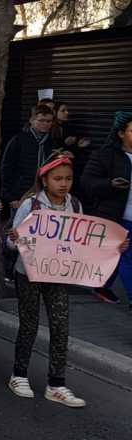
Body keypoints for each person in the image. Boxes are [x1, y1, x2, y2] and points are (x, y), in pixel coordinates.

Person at [6, 153, 127, 408]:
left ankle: (57, 383)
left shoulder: (75, 205)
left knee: (61, 327)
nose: (63, 184)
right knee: (29, 325)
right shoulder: (31, 205)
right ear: (45, 179)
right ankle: (19, 375)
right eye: (58, 178)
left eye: (68, 179)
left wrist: (115, 245)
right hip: (28, 274)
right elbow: (10, 241)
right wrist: (16, 239)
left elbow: (84, 241)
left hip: (59, 274)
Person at [81, 111, 132, 308]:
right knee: (128, 257)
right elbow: (87, 182)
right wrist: (110, 184)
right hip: (117, 217)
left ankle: (102, 285)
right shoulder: (105, 155)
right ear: (120, 133)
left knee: (120, 256)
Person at [1, 105, 57, 210]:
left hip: (45, 193)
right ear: (31, 120)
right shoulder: (18, 140)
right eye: (41, 120)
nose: (45, 124)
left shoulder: (51, 142)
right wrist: (11, 197)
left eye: (49, 121)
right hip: (21, 193)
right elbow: (6, 169)